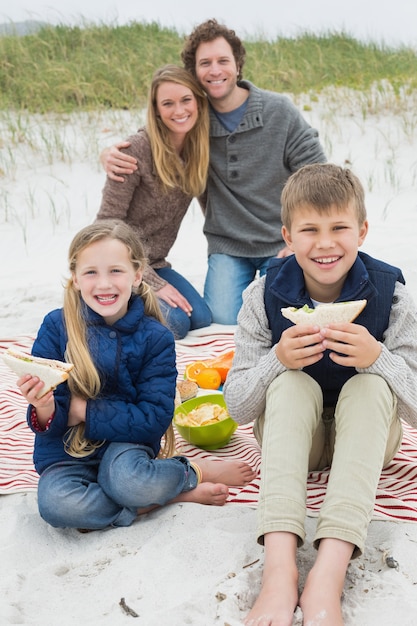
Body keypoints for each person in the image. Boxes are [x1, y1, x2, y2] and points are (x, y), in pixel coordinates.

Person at [223, 163, 417, 625]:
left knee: (370, 385)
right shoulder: (262, 294)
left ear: (362, 231)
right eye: (309, 230)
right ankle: (279, 570)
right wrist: (277, 360)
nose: (325, 243)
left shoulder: (392, 298)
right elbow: (237, 407)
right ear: (288, 238)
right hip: (296, 439)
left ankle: (328, 571)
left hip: (370, 439)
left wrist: (378, 358)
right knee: (290, 383)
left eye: (339, 228)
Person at [16, 220, 255, 531]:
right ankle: (161, 500)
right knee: (56, 505)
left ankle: (187, 472)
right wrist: (44, 407)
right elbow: (49, 420)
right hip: (66, 453)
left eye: (116, 271)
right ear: (75, 278)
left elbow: (154, 418)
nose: (104, 284)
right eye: (91, 272)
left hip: (127, 449)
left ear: (138, 274)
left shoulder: (155, 337)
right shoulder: (56, 326)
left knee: (129, 481)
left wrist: (82, 409)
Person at [101, 19, 327, 326]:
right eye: (205, 63)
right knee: (220, 320)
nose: (215, 70)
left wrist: (301, 240)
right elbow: (157, 130)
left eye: (223, 60)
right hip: (227, 246)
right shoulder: (195, 120)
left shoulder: (278, 112)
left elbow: (318, 176)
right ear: (194, 72)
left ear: (237, 64)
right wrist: (108, 151)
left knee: (283, 318)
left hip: (281, 242)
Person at [96, 64, 212, 340]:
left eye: (186, 100)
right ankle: (98, 311)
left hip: (156, 262)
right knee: (176, 324)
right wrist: (153, 283)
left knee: (201, 318)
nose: (179, 110)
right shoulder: (135, 151)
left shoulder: (196, 151)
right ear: (156, 110)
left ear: (197, 101)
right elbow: (104, 226)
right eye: (168, 103)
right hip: (120, 264)